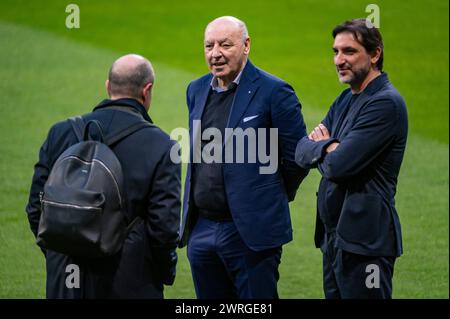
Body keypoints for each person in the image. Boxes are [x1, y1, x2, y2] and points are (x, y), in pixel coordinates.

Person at [26, 54, 181, 298]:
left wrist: (63, 251)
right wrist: (161, 272)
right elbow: (164, 228)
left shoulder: (61, 132)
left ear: (108, 86)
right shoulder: (162, 145)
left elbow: (36, 208)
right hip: (131, 280)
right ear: (147, 90)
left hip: (66, 277)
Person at [179, 16, 309, 299]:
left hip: (249, 233)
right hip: (202, 228)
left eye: (225, 45)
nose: (216, 54)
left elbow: (296, 158)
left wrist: (268, 195)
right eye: (209, 46)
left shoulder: (275, 91)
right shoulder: (196, 89)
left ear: (246, 45)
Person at [295, 19, 408, 299]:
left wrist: (325, 146)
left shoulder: (385, 103)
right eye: (335, 52)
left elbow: (338, 166)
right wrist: (329, 147)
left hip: (366, 243)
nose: (338, 60)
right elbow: (301, 150)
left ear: (374, 54)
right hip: (335, 239)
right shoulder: (345, 99)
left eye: (349, 51)